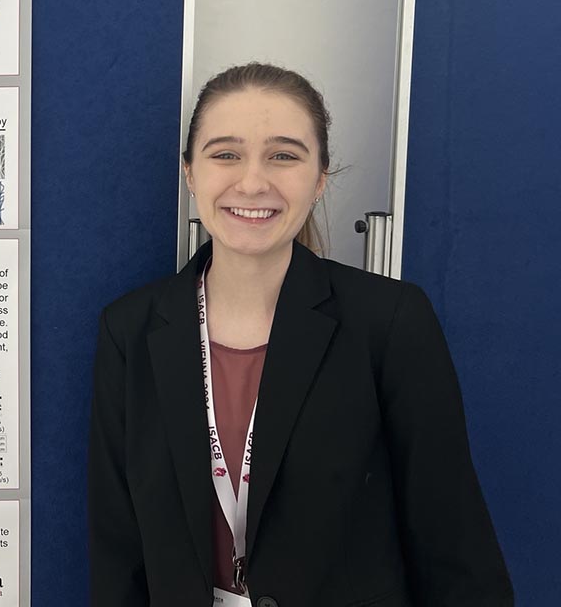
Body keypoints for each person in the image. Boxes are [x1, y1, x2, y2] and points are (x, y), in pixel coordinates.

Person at [88, 63, 512, 606]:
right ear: (190, 173)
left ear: (319, 179)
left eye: (283, 155)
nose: (252, 182)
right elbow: (118, 555)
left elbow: (453, 546)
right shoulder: (130, 331)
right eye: (225, 154)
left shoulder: (389, 321)